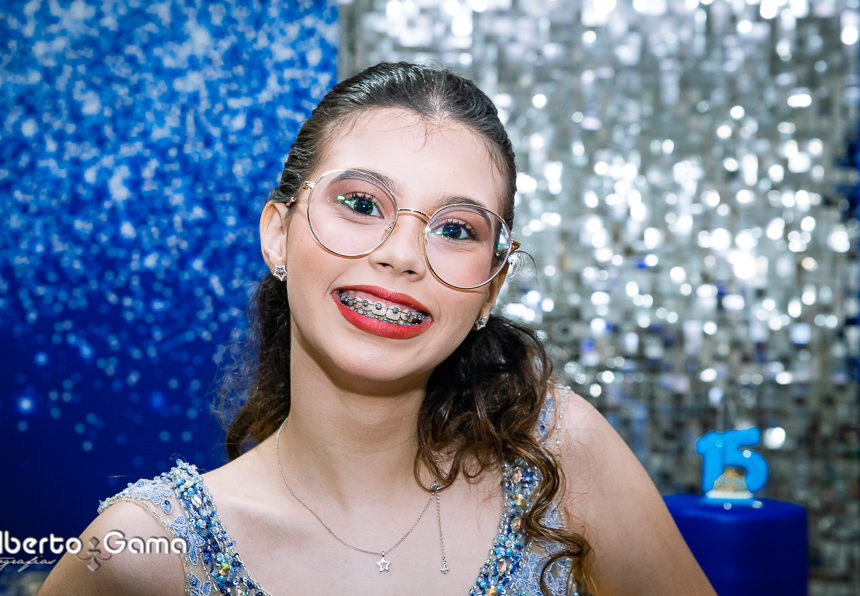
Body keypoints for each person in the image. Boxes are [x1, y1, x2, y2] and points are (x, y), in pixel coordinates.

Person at [39, 62, 715, 596]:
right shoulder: (146, 555)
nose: (401, 255)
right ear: (278, 234)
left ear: (492, 286)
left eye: (456, 229)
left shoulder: (558, 458)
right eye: (362, 204)